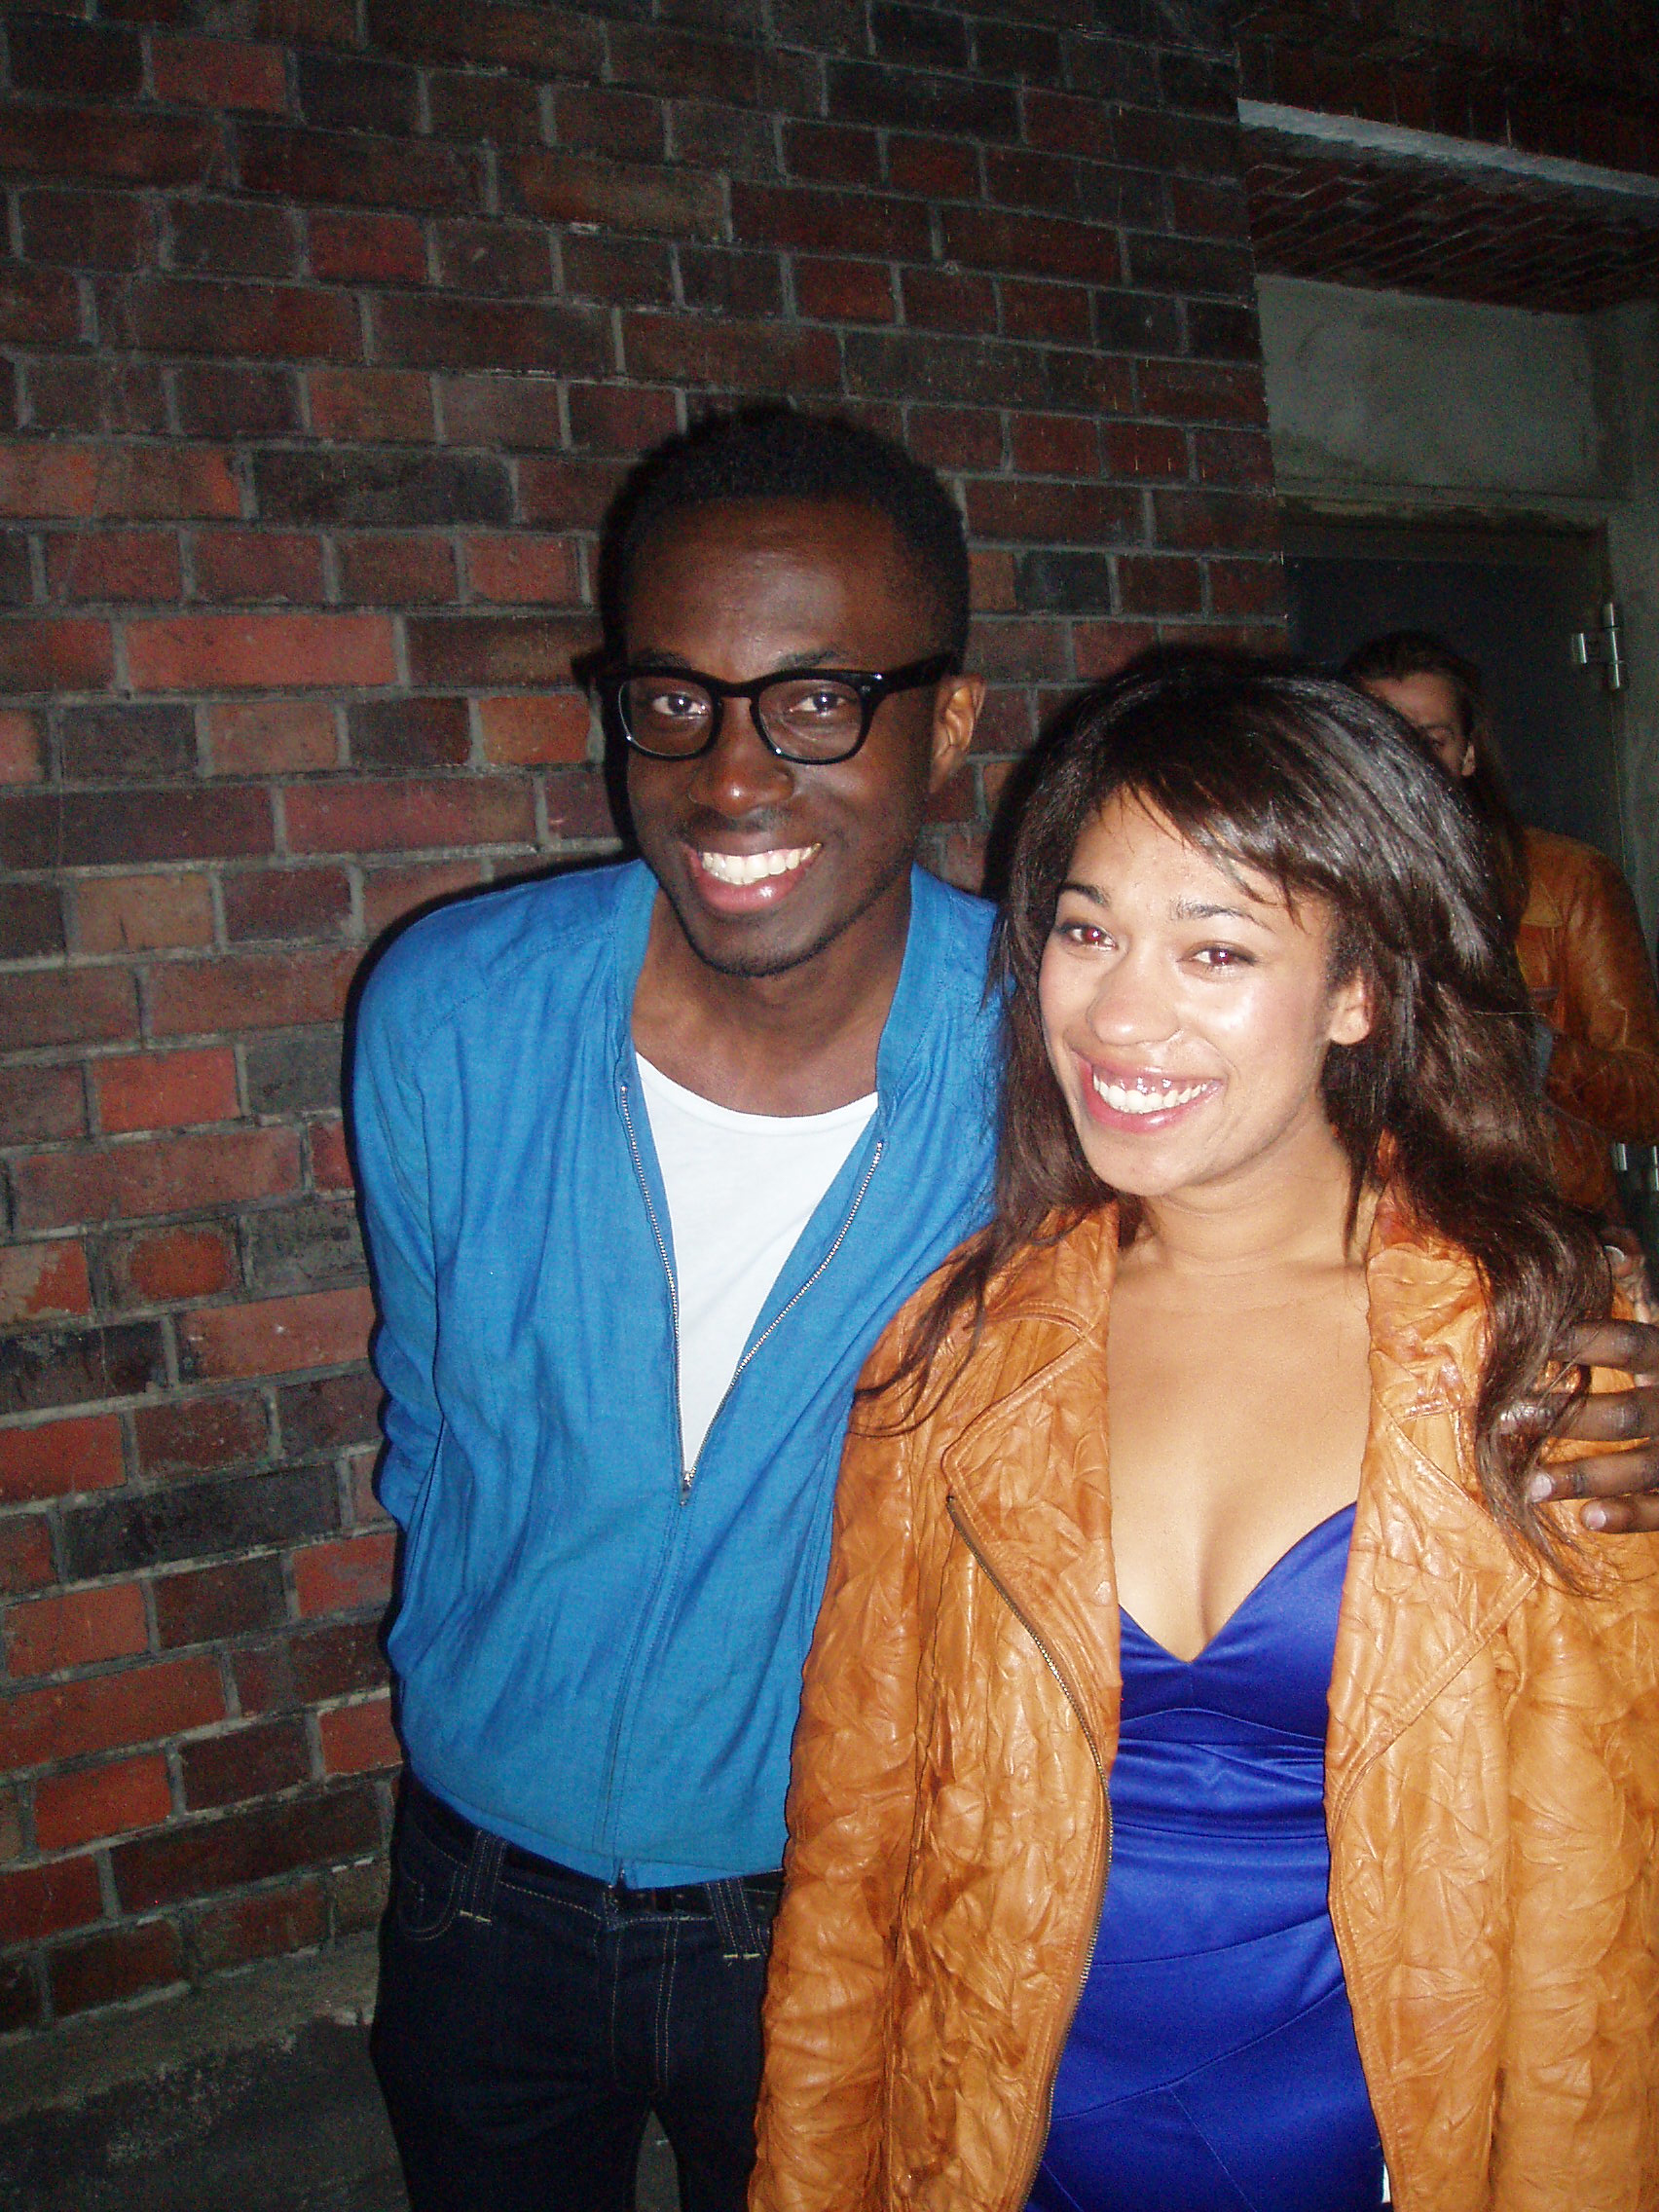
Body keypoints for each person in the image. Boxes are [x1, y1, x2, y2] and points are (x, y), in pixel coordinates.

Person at [353, 413, 1659, 2212]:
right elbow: (429, 1429)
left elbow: (1593, 1890)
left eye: (817, 702)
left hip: (1019, 1971)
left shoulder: (1107, 1102)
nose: (733, 774)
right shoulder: (466, 1024)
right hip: (544, 1911)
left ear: (947, 721)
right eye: (672, 699)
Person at [750, 659, 1659, 2212]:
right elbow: (852, 1866)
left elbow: (1604, 1919)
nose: (1118, 1012)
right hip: (1003, 2154)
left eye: (1215, 947)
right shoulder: (961, 1355)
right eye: (1088, 930)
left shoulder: (1542, 1354)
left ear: (1359, 991)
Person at [1345, 629, 1659, 1225]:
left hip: (1544, 1227)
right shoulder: (1316, 886)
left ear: (1467, 755)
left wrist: (1526, 1047)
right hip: (1372, 1234)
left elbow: (1647, 1101)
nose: (1406, 765)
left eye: (1429, 741)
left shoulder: (1566, 880)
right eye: (1381, 742)